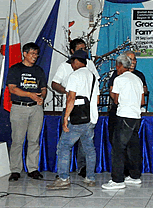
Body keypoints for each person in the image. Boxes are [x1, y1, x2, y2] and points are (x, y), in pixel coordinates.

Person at [47, 50, 99, 189]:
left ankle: (63, 178)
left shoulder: (75, 76)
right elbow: (97, 99)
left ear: (76, 61)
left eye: (72, 62)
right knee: (89, 148)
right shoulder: (93, 76)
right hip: (91, 118)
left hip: (77, 119)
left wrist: (65, 118)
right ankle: (90, 177)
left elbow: (71, 98)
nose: (72, 65)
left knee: (64, 146)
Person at [102, 53, 144, 189]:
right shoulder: (137, 79)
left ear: (119, 66)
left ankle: (118, 180)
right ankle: (135, 176)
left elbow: (116, 100)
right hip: (136, 117)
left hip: (124, 116)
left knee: (118, 148)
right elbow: (142, 101)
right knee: (133, 147)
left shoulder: (119, 79)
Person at [6, 42, 47, 181]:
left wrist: (41, 97)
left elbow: (43, 88)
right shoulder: (15, 69)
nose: (35, 56)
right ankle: (15, 170)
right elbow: (12, 88)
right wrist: (30, 95)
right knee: (17, 140)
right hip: (19, 107)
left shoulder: (39, 70)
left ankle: (33, 169)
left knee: (34, 140)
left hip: (36, 108)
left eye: (36, 54)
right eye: (32, 53)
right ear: (24, 54)